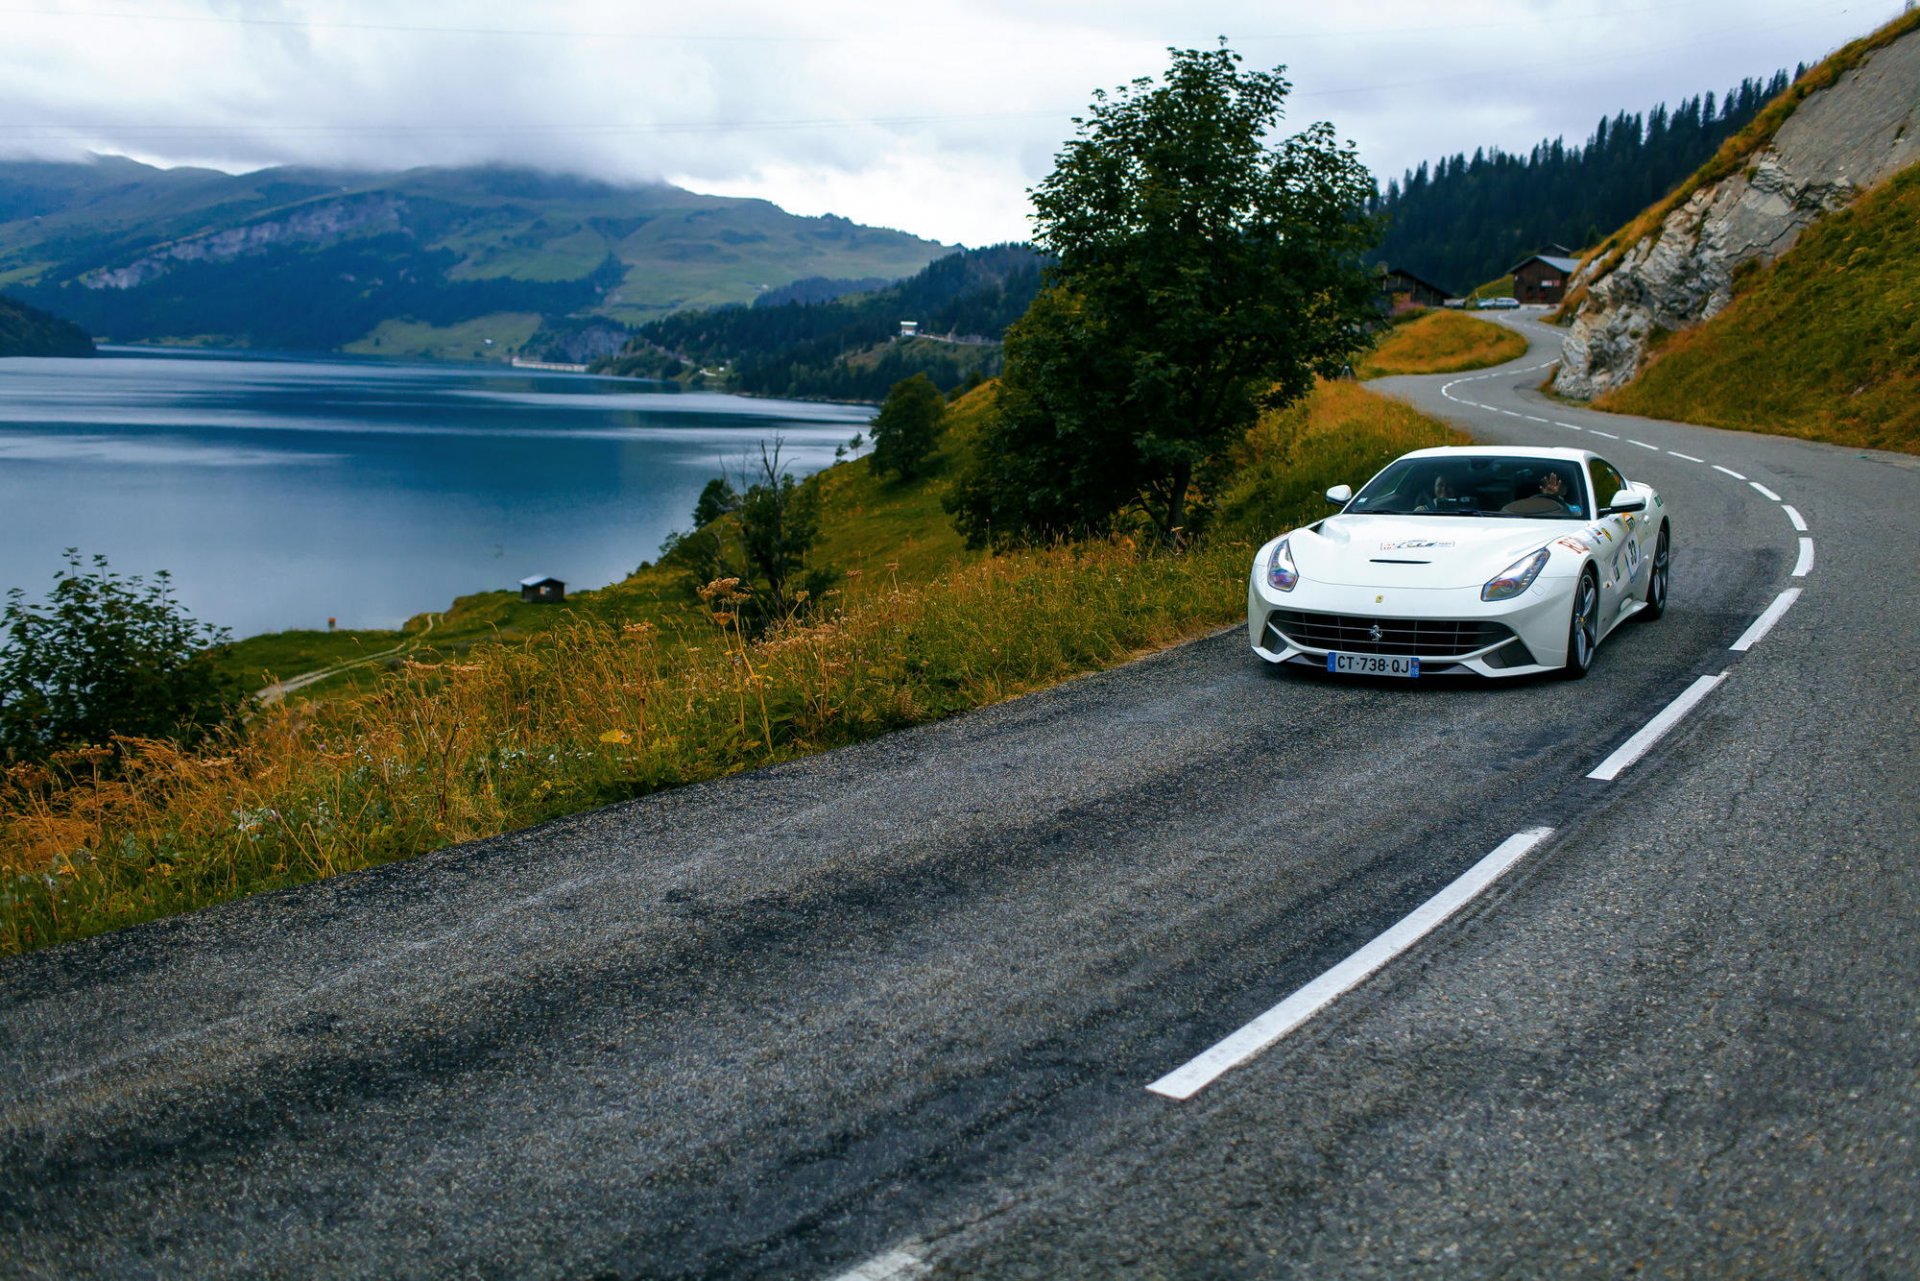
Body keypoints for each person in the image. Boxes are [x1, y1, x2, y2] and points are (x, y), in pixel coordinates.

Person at [1504, 468, 1577, 515]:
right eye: (1545, 483)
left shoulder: (1575, 509)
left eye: (1557, 483)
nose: (1551, 486)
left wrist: (1551, 496)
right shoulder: (1512, 509)